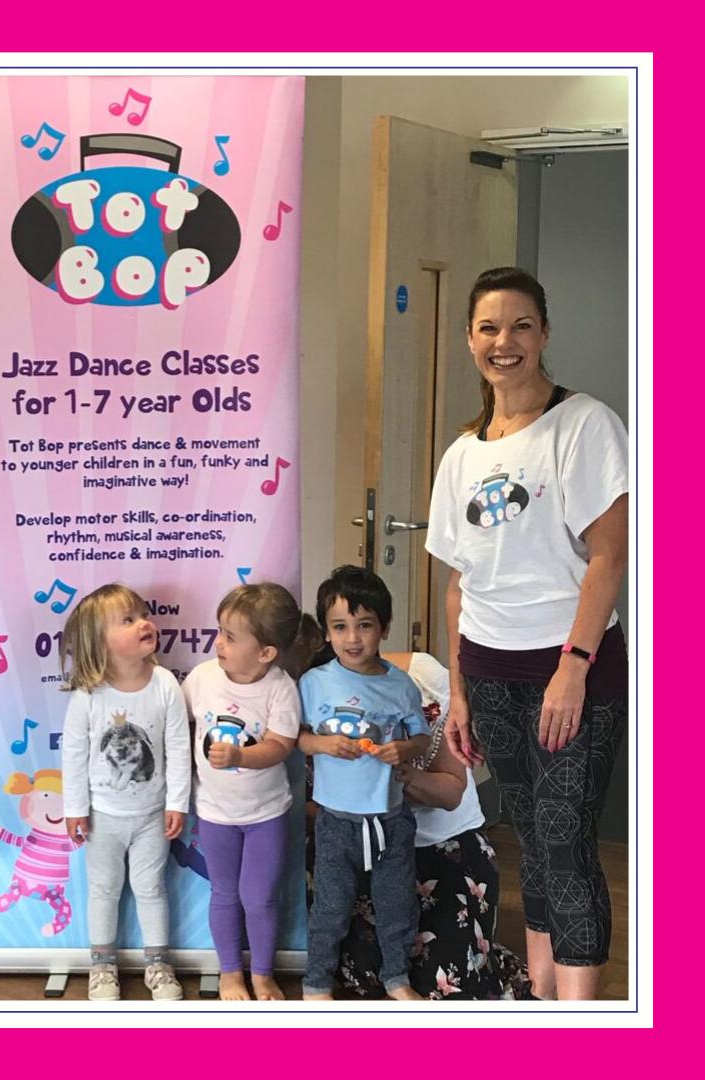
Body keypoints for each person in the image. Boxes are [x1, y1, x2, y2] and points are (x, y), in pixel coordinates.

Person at [426, 266, 628, 1001]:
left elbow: (611, 553)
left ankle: (583, 1022)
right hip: (486, 670)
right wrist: (456, 690)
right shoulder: (462, 454)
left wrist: (575, 664)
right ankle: (542, 999)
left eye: (519, 326)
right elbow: (458, 584)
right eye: (488, 328)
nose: (503, 342)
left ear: (543, 333)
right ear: (469, 340)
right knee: (535, 843)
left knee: (568, 842)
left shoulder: (585, 425)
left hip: (570, 668)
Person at [337, 651, 530, 1000]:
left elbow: (450, 791)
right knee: (364, 976)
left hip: (444, 844)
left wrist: (400, 774)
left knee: (446, 982)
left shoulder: (423, 679)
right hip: (371, 847)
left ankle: (486, 959)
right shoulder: (306, 700)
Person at [298, 566, 430, 1001]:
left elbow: (421, 736)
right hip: (335, 823)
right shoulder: (313, 683)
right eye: (340, 627)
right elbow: (295, 737)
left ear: (384, 628)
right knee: (331, 907)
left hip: (391, 820)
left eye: (364, 626)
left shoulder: (401, 686)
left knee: (397, 905)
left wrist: (404, 750)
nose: (352, 638)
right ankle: (317, 983)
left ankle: (397, 978)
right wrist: (323, 743)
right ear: (326, 633)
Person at [60, 584, 191, 1001]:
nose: (144, 623)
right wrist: (75, 808)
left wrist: (176, 803)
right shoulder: (88, 695)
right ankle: (101, 965)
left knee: (151, 886)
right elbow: (75, 755)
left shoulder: (166, 684)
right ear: (100, 642)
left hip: (153, 815)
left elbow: (178, 747)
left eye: (143, 614)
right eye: (128, 619)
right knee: (104, 888)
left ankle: (158, 962)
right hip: (102, 818)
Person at [182, 583, 304, 1001]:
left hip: (265, 815)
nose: (218, 643)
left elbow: (279, 745)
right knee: (224, 893)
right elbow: (177, 725)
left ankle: (263, 973)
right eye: (219, 632)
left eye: (231, 637)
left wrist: (239, 757)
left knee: (260, 897)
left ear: (266, 652)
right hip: (214, 813)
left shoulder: (280, 688)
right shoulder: (202, 678)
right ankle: (230, 972)